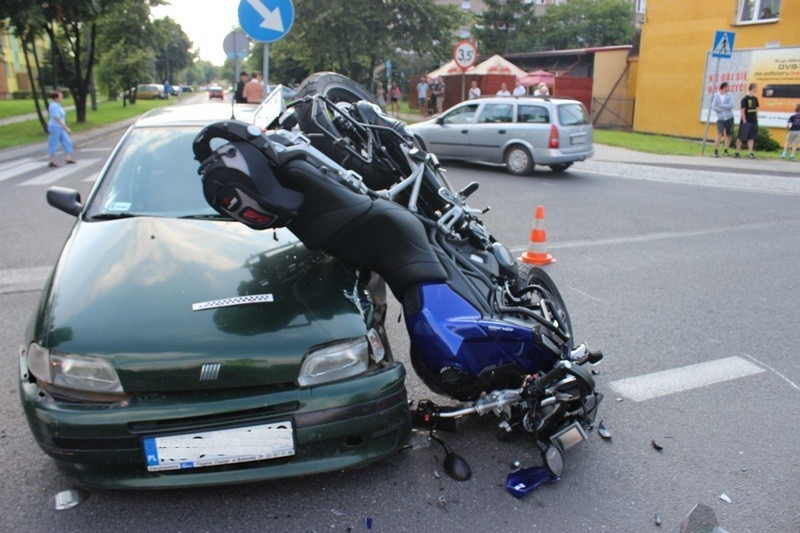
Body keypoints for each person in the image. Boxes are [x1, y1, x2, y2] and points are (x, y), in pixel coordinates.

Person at [46, 91, 76, 168]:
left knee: (67, 141)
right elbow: (56, 118)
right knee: (53, 143)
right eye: (60, 97)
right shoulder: (53, 106)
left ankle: (68, 158)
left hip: (60, 127)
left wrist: (64, 125)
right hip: (55, 127)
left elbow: (62, 117)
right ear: (56, 97)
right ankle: (51, 161)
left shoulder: (58, 105)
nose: (62, 98)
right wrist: (65, 127)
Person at [734, 82, 759, 159]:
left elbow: (756, 109)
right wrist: (744, 121)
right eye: (756, 87)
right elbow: (742, 110)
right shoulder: (745, 99)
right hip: (746, 120)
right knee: (741, 137)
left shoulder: (755, 99)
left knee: (751, 138)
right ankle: (737, 152)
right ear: (752, 88)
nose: (757, 89)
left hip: (753, 120)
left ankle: (750, 153)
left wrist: (756, 119)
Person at [711, 81, 735, 157]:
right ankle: (715, 151)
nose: (729, 88)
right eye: (728, 87)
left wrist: (720, 105)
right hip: (720, 118)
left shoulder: (729, 95)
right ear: (724, 87)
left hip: (729, 118)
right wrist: (724, 108)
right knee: (719, 133)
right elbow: (713, 107)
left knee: (728, 134)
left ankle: (726, 151)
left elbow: (731, 105)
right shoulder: (716, 96)